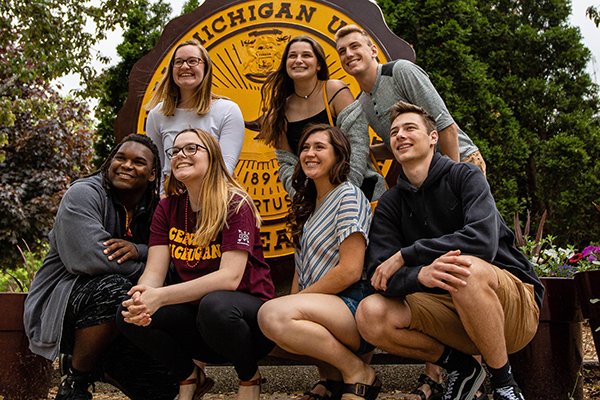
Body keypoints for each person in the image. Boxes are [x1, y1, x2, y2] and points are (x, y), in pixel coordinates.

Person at [355, 102, 543, 400]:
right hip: (451, 317)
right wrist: (422, 275)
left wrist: (408, 256)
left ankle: (505, 385)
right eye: (394, 132)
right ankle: (460, 366)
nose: (400, 135)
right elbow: (379, 275)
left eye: (410, 128)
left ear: (433, 138)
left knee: (462, 269)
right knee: (370, 313)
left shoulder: (466, 176)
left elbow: (482, 242)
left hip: (512, 309)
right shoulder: (391, 203)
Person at [116, 128, 275, 400]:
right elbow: (153, 272)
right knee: (126, 311)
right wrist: (143, 299)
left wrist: (161, 296)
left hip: (246, 323)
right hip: (198, 324)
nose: (181, 155)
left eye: (191, 149)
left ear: (211, 157)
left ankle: (249, 376)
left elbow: (229, 278)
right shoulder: (168, 209)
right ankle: (189, 375)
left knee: (215, 305)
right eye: (175, 151)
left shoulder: (236, 204)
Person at [24, 134, 177, 400]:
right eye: (120, 158)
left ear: (153, 174)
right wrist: (150, 266)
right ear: (109, 163)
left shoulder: (157, 209)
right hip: (64, 300)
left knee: (164, 389)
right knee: (116, 288)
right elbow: (88, 258)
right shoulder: (83, 194)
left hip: (128, 314)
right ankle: (76, 379)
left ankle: (103, 364)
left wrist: (140, 250)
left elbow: (178, 257)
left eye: (138, 162)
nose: (127, 165)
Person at [258, 124, 381, 400]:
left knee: (272, 314)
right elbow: (302, 269)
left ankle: (358, 373)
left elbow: (350, 270)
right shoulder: (308, 204)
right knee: (263, 323)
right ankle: (332, 379)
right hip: (325, 307)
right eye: (304, 148)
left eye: (319, 147)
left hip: (353, 306)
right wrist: (295, 299)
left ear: (339, 156)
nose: (309, 154)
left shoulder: (348, 196)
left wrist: (296, 301)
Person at [334, 25, 486, 175]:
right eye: (342, 51)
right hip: (427, 175)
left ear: (373, 50)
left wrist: (453, 177)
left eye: (355, 46)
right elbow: (397, 145)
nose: (348, 54)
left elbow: (445, 126)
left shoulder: (400, 72)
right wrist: (359, 152)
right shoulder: (362, 104)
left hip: (462, 162)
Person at [259, 35, 385, 200]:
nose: (298, 60)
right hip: (316, 203)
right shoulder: (280, 112)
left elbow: (357, 143)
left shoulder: (335, 91)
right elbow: (287, 164)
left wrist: (346, 193)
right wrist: (304, 198)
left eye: (306, 55)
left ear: (318, 64)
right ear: (285, 64)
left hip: (360, 191)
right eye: (292, 56)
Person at [146, 39, 245, 195]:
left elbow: (225, 169)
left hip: (214, 200)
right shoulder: (157, 115)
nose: (185, 66)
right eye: (178, 62)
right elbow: (157, 169)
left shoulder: (227, 111)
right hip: (171, 201)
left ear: (206, 68)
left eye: (193, 61)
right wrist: (163, 202)